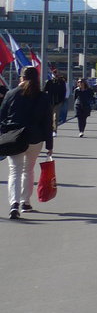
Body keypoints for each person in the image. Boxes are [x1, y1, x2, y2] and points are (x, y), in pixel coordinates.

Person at [0, 66, 54, 219]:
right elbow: (47, 122)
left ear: (21, 77)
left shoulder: (11, 94)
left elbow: (2, 116)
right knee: (28, 169)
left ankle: (14, 204)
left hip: (14, 138)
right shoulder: (42, 97)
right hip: (34, 139)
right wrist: (49, 145)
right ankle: (26, 202)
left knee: (15, 170)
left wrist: (5, 133)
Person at [45, 70, 67, 135]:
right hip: (50, 101)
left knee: (55, 117)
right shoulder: (49, 82)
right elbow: (45, 90)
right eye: (54, 73)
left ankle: (54, 130)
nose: (55, 75)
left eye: (56, 73)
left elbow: (64, 91)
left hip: (58, 102)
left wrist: (62, 100)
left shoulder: (62, 82)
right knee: (49, 117)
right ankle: (50, 129)